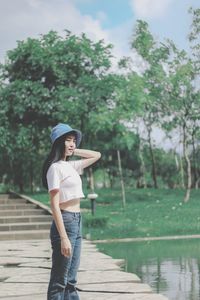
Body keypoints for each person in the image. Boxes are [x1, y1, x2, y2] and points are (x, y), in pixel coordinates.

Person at [42, 123, 101, 300]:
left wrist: (73, 150)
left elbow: (96, 155)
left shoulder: (72, 166)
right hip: (66, 221)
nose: (72, 143)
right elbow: (54, 205)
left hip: (77, 220)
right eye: (68, 140)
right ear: (58, 143)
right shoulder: (55, 168)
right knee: (60, 280)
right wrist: (64, 237)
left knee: (71, 280)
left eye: (74, 141)